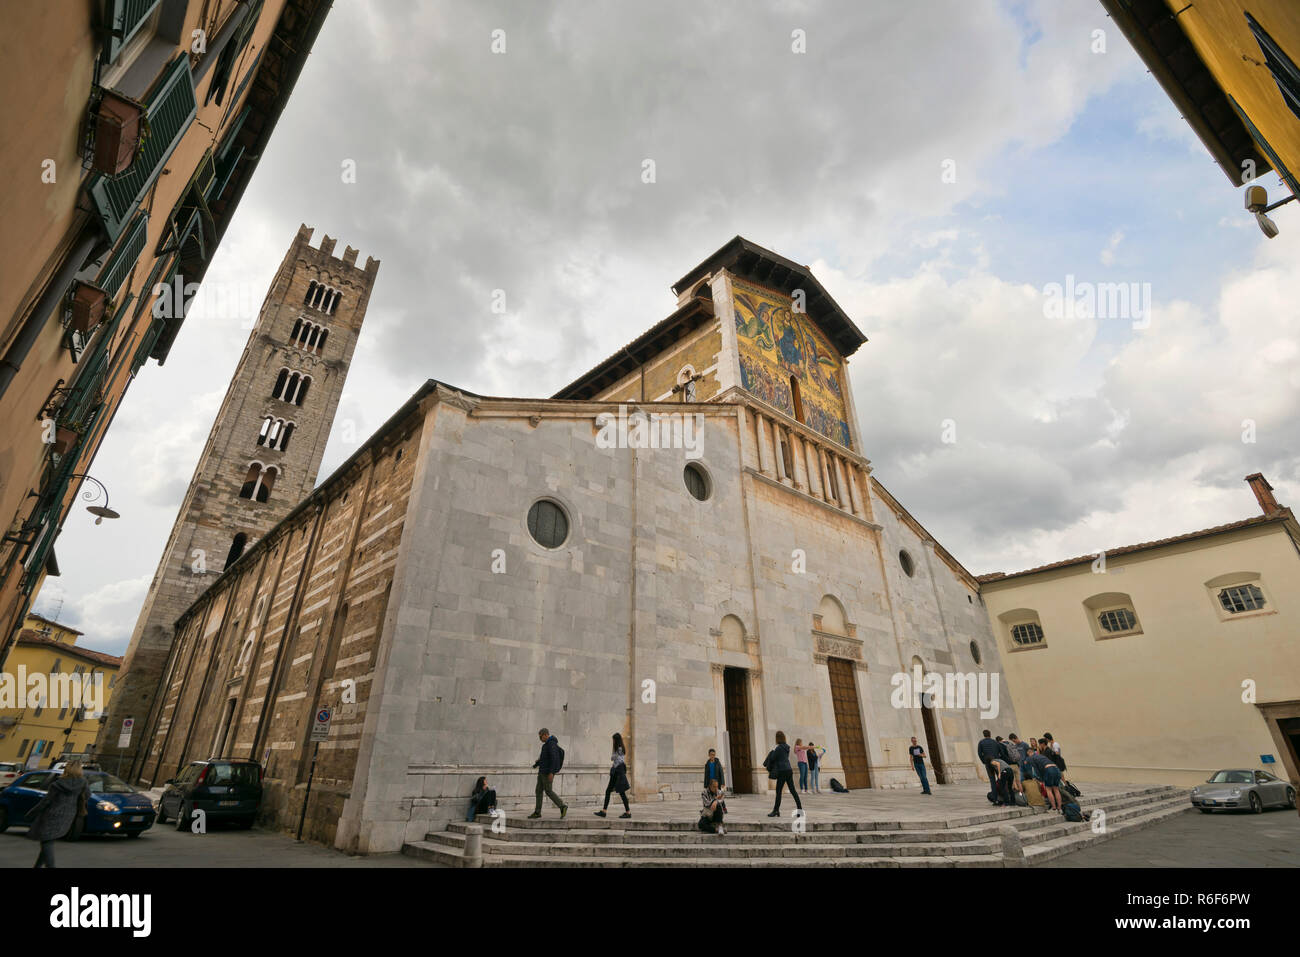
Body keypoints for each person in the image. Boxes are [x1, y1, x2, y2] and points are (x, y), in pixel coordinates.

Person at [27, 759, 88, 868]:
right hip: (68, 816)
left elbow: (46, 801)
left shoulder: (57, 784)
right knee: (48, 840)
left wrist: (32, 812)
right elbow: (87, 795)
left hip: (51, 815)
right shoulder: (83, 783)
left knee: (46, 842)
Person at [528, 727, 568, 819]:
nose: (540, 739)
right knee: (538, 791)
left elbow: (554, 759)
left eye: (541, 737)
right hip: (542, 772)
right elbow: (545, 758)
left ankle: (562, 806)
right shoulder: (546, 745)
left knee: (548, 791)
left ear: (546, 735)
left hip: (547, 773)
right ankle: (537, 812)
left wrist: (551, 772)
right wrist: (537, 763)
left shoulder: (551, 744)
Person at [764, 731, 802, 818]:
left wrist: (773, 751)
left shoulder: (779, 748)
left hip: (782, 771)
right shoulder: (786, 747)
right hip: (788, 769)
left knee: (778, 792)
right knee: (793, 791)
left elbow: (773, 758)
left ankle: (776, 810)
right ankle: (800, 810)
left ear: (777, 738)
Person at [595, 732, 631, 819]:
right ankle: (604, 811)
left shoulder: (619, 749)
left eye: (613, 740)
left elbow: (613, 759)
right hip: (617, 772)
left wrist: (613, 753)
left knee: (621, 793)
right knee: (611, 791)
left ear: (616, 740)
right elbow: (614, 759)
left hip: (618, 772)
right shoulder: (619, 748)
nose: (613, 742)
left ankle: (628, 812)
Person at [1029, 744, 1061, 811]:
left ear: (1029, 752)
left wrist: (1041, 779)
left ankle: (1054, 807)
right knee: (1056, 789)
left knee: (1048, 789)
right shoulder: (1041, 756)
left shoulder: (1031, 758)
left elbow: (1036, 770)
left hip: (1049, 770)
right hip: (1056, 769)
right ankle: (1059, 807)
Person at [976, 729, 1001, 796]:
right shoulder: (995, 742)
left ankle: (995, 798)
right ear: (990, 734)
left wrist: (984, 761)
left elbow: (979, 753)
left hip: (988, 762)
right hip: (996, 762)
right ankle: (1002, 794)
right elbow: (999, 751)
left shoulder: (981, 742)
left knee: (992, 780)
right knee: (1000, 778)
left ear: (984, 735)